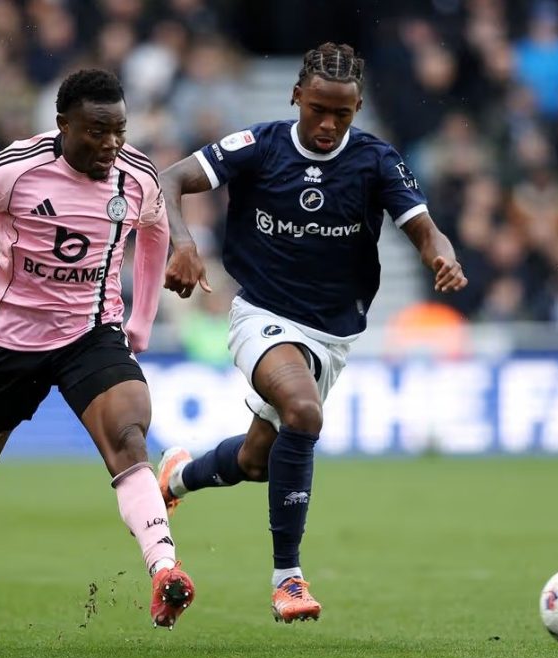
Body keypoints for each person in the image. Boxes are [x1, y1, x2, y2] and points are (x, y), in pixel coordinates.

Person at [155, 43, 468, 623]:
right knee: (302, 410)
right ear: (296, 95)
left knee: (256, 461)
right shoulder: (260, 146)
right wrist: (183, 243)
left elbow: (426, 230)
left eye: (341, 114)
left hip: (332, 334)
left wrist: (441, 257)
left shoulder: (376, 161)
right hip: (261, 314)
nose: (327, 124)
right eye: (317, 109)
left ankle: (178, 477)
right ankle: (288, 580)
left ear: (358, 109)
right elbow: (170, 178)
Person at [0, 69, 195, 629]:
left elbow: (155, 230)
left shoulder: (137, 177)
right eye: (96, 131)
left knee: (129, 438)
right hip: (12, 339)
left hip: (91, 333)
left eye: (119, 130)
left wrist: (142, 318)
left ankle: (164, 570)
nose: (110, 143)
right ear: (62, 125)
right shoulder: (17, 168)